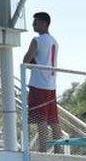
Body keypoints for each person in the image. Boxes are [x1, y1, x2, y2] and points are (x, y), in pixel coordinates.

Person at [23, 12, 59, 153]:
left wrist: (32, 61)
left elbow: (26, 60)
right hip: (51, 85)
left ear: (44, 23)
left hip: (39, 84)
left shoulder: (37, 40)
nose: (33, 24)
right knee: (53, 120)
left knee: (41, 119)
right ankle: (58, 150)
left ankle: (43, 151)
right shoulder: (54, 41)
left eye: (36, 22)